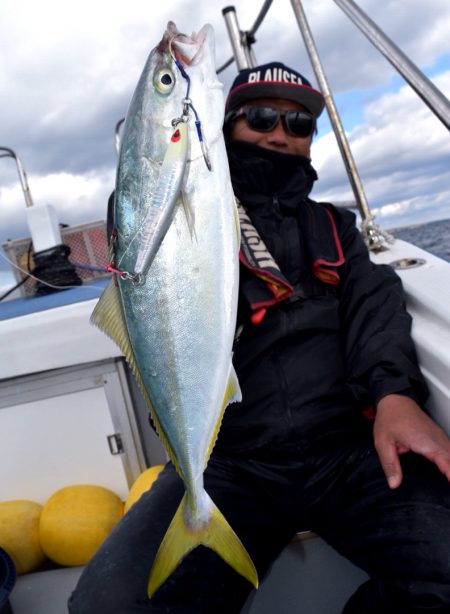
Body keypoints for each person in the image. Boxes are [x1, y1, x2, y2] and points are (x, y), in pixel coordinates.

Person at [68, 61, 450, 614]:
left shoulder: (335, 229)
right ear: (222, 128)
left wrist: (395, 395)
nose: (280, 133)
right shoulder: (191, 216)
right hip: (228, 460)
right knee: (109, 607)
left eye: (298, 125)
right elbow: (142, 229)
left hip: (348, 451)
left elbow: (377, 309)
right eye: (262, 116)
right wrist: (150, 174)